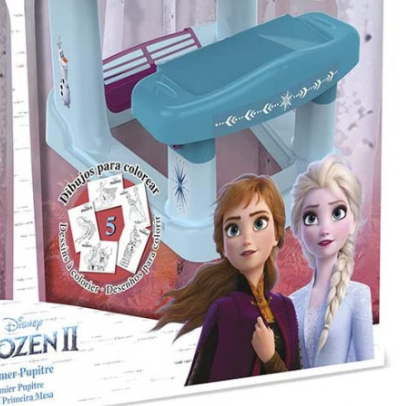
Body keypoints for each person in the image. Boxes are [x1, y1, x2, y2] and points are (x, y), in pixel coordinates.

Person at [155, 175, 301, 384]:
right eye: (234, 229)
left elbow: (297, 382)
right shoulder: (225, 310)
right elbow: (200, 383)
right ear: (223, 246)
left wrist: (270, 358)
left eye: (259, 223)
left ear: (277, 233)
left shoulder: (285, 307)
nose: (247, 239)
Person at [288, 154, 373, 368]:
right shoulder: (292, 302)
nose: (325, 229)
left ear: (353, 221)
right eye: (311, 218)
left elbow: (367, 365)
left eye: (337, 212)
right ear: (298, 228)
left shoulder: (358, 296)